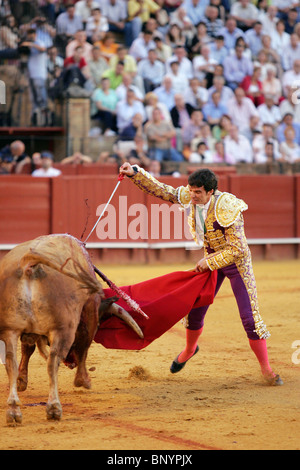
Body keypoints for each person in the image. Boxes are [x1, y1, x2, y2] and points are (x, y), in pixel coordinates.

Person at [119, 163, 283, 386]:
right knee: (194, 308)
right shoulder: (191, 195)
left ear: (210, 192)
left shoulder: (228, 207)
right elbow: (163, 190)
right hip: (210, 262)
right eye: (191, 190)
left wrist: (209, 261)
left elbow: (238, 250)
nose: (192, 196)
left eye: (198, 192)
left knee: (250, 317)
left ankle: (267, 371)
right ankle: (189, 349)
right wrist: (135, 174)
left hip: (236, 265)